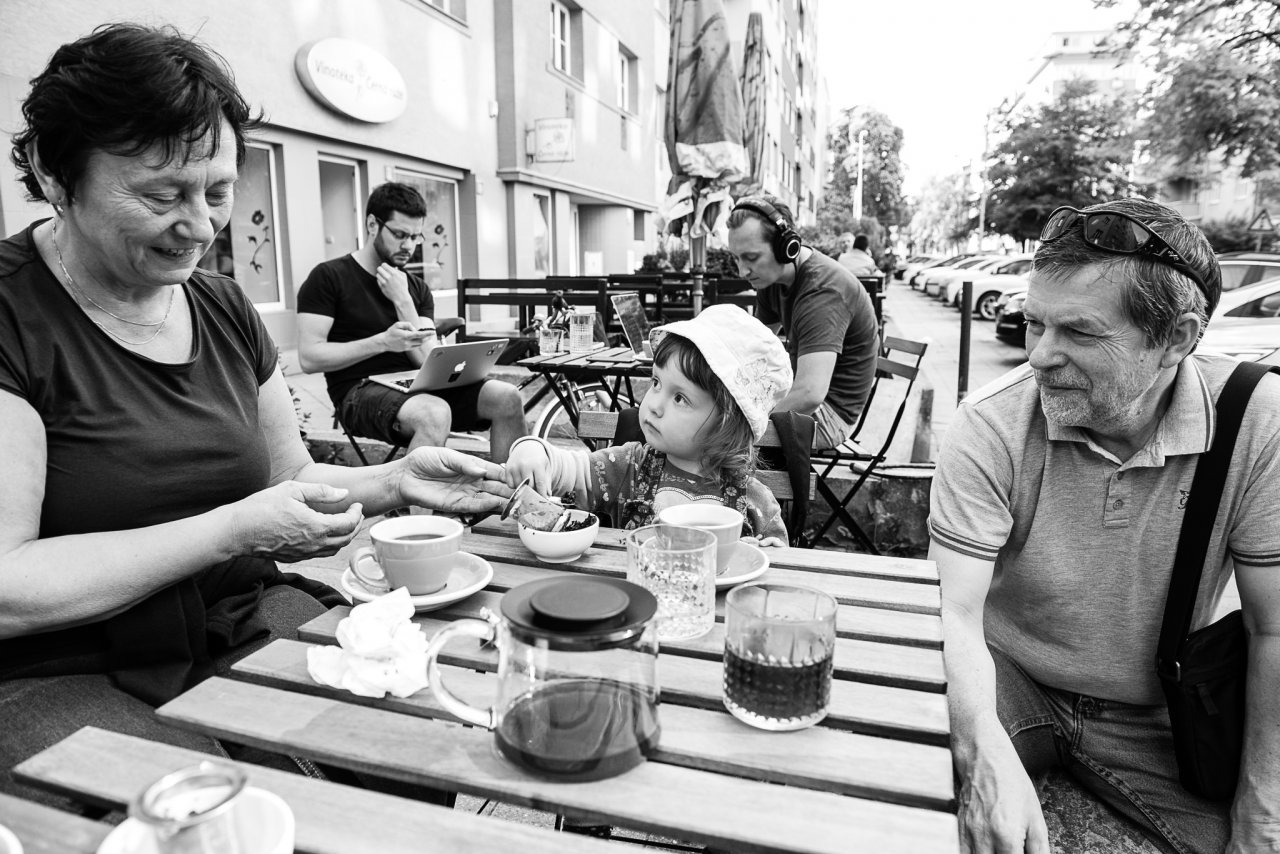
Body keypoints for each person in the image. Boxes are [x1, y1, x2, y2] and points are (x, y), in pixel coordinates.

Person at [0, 23, 512, 803]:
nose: (203, 227)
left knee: (409, 751)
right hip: (62, 660)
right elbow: (8, 588)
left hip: (238, 612)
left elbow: (288, 477)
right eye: (161, 195)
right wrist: (231, 530)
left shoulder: (223, 304)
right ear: (53, 171)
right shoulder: (13, 316)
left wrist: (398, 481)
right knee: (207, 819)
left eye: (217, 191)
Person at [929, 198, 1280, 854]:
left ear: (1176, 338)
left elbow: (1274, 628)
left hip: (1156, 714)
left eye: (1080, 333)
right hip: (1006, 678)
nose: (1040, 356)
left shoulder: (1257, 421)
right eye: (1035, 323)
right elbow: (955, 611)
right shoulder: (991, 421)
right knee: (909, 797)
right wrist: (979, 747)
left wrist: (1262, 817)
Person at [504, 305, 791, 544]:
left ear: (726, 425)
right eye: (656, 382)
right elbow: (571, 470)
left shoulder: (755, 504)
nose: (653, 404)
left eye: (679, 398)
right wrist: (533, 450)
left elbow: (783, 570)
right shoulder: (630, 467)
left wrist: (766, 552)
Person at [296, 182, 527, 462]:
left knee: (507, 397)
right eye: (400, 235)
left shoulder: (415, 288)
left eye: (416, 237)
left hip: (415, 385)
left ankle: (509, 487)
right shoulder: (328, 277)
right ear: (372, 224)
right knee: (434, 412)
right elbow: (309, 358)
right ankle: (415, 492)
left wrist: (403, 301)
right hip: (357, 391)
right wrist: (382, 342)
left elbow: (425, 358)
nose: (408, 246)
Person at [726, 196, 880, 451]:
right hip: (797, 395)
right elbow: (752, 350)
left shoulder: (823, 292)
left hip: (830, 416)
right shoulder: (770, 279)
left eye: (751, 257)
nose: (742, 271)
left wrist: (739, 426)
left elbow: (810, 394)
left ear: (786, 247)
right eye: (736, 258)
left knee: (717, 437)